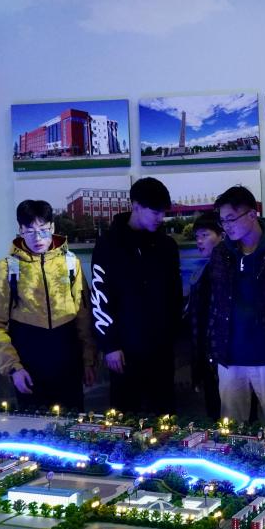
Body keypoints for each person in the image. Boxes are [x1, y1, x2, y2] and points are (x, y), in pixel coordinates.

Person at [0, 200, 94, 412]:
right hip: (29, 363)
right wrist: (13, 368)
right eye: (30, 231)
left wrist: (89, 361)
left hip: (68, 360)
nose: (38, 238)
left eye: (43, 230)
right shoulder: (6, 268)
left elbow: (83, 316)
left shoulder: (71, 263)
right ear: (20, 230)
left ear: (52, 227)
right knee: (34, 425)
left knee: (73, 423)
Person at [207, 186, 265, 423]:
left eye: (231, 219)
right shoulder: (221, 253)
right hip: (229, 355)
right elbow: (214, 300)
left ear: (252, 214)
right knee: (231, 425)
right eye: (222, 221)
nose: (226, 226)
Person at [90, 177, 182, 415]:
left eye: (163, 212)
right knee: (125, 418)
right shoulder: (108, 244)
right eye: (155, 212)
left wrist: (174, 336)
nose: (161, 218)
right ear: (136, 206)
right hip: (123, 351)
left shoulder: (167, 246)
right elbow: (100, 297)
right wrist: (110, 345)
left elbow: (175, 295)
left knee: (165, 417)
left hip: (161, 350)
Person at [188, 212, 224, 421]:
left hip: (224, 356)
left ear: (222, 235)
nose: (199, 241)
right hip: (208, 354)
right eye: (197, 236)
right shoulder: (204, 270)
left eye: (204, 235)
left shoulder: (229, 269)